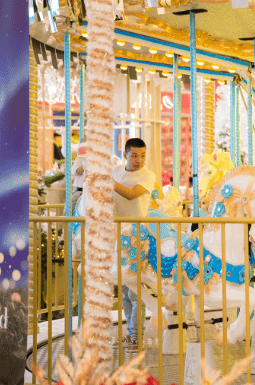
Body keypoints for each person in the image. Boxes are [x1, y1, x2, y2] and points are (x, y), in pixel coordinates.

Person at [112, 138, 156, 351]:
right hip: (117, 235)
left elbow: (131, 195)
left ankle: (135, 334)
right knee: (123, 289)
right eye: (135, 155)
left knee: (135, 290)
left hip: (138, 237)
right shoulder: (116, 171)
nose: (139, 160)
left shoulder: (148, 175)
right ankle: (131, 333)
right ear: (126, 155)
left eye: (142, 155)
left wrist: (107, 181)